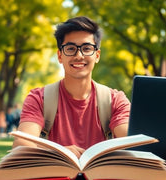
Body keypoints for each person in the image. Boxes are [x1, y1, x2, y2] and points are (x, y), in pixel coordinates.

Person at [13, 16, 131, 158]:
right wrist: (61, 152)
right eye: (70, 48)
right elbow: (21, 146)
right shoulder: (39, 98)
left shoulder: (116, 100)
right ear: (60, 56)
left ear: (97, 55)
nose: (79, 55)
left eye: (87, 48)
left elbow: (133, 142)